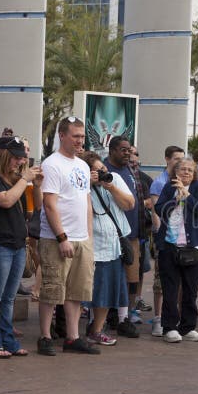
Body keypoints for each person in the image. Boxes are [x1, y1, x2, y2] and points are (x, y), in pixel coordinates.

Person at [36, 116, 99, 356]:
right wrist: (62, 238)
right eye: (75, 136)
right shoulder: (52, 164)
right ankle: (45, 336)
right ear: (62, 136)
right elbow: (49, 204)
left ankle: (72, 338)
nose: (80, 141)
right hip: (56, 239)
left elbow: (86, 202)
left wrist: (89, 238)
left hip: (82, 238)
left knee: (77, 291)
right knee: (53, 289)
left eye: (82, 136)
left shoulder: (83, 165)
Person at [0, 137, 43, 358]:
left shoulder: (16, 179)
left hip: (16, 245)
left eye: (21, 158)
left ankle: (8, 341)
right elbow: (5, 200)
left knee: (8, 298)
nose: (19, 162)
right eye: (16, 157)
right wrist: (24, 179)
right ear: (4, 155)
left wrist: (37, 185)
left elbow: (37, 207)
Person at [82, 152, 135, 346]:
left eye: (103, 169)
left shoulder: (114, 179)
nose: (102, 173)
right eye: (96, 171)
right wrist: (87, 183)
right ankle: (74, 330)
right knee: (86, 292)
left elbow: (129, 204)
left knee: (107, 291)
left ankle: (97, 329)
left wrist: (110, 186)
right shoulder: (83, 184)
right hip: (92, 247)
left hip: (113, 247)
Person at [154, 158, 198, 343]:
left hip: (194, 247)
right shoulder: (169, 187)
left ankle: (188, 327)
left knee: (191, 290)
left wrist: (186, 196)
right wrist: (174, 199)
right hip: (170, 246)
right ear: (175, 172)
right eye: (183, 169)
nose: (186, 173)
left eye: (190, 170)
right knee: (170, 289)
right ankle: (169, 327)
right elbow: (159, 208)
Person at [104, 136, 150, 325]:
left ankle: (127, 314)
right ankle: (108, 314)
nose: (128, 153)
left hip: (132, 235)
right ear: (112, 150)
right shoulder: (104, 169)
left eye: (129, 150)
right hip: (110, 235)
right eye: (123, 150)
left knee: (131, 278)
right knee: (109, 278)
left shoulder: (131, 170)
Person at [148, 145, 185, 334]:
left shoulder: (184, 180)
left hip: (182, 238)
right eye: (176, 158)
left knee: (179, 281)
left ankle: (175, 316)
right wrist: (158, 236)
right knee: (160, 281)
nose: (179, 162)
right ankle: (158, 317)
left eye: (182, 158)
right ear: (167, 159)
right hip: (165, 236)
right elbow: (156, 212)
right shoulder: (160, 182)